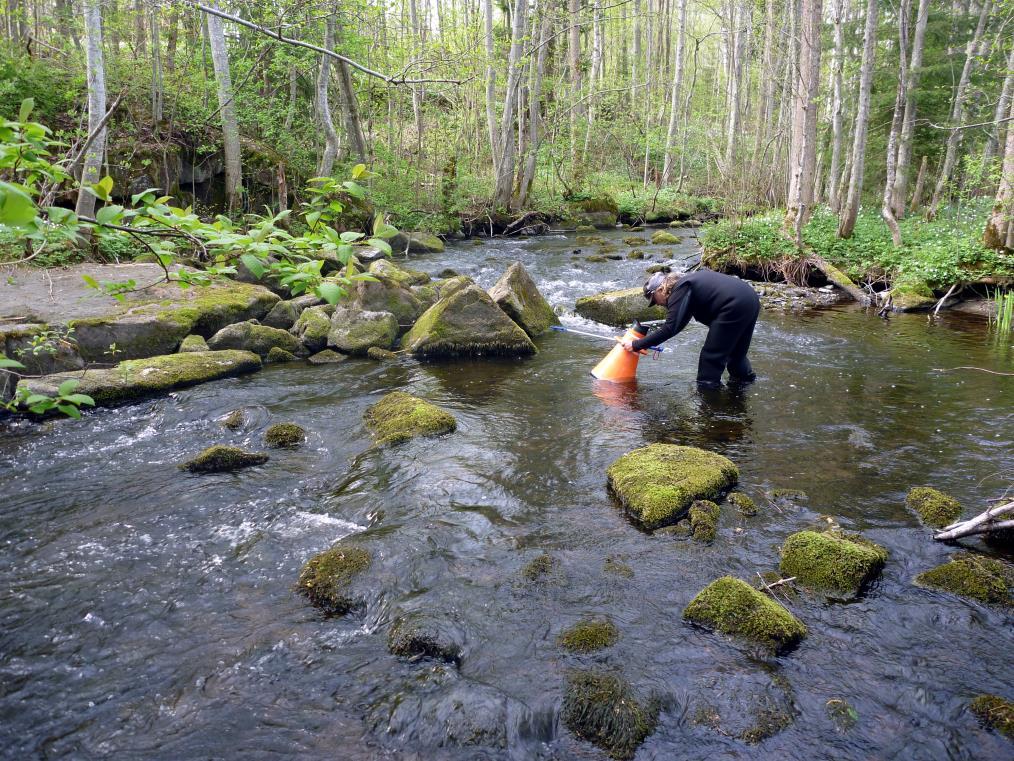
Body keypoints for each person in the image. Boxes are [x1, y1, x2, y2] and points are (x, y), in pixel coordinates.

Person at [621, 269, 760, 389]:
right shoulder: (689, 285)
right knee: (736, 355)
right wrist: (642, 344)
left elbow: (670, 328)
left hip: (733, 305)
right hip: (750, 298)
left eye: (654, 300)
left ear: (660, 289)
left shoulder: (681, 289)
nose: (657, 304)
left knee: (710, 358)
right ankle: (745, 387)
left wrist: (636, 345)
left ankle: (709, 402)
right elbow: (678, 324)